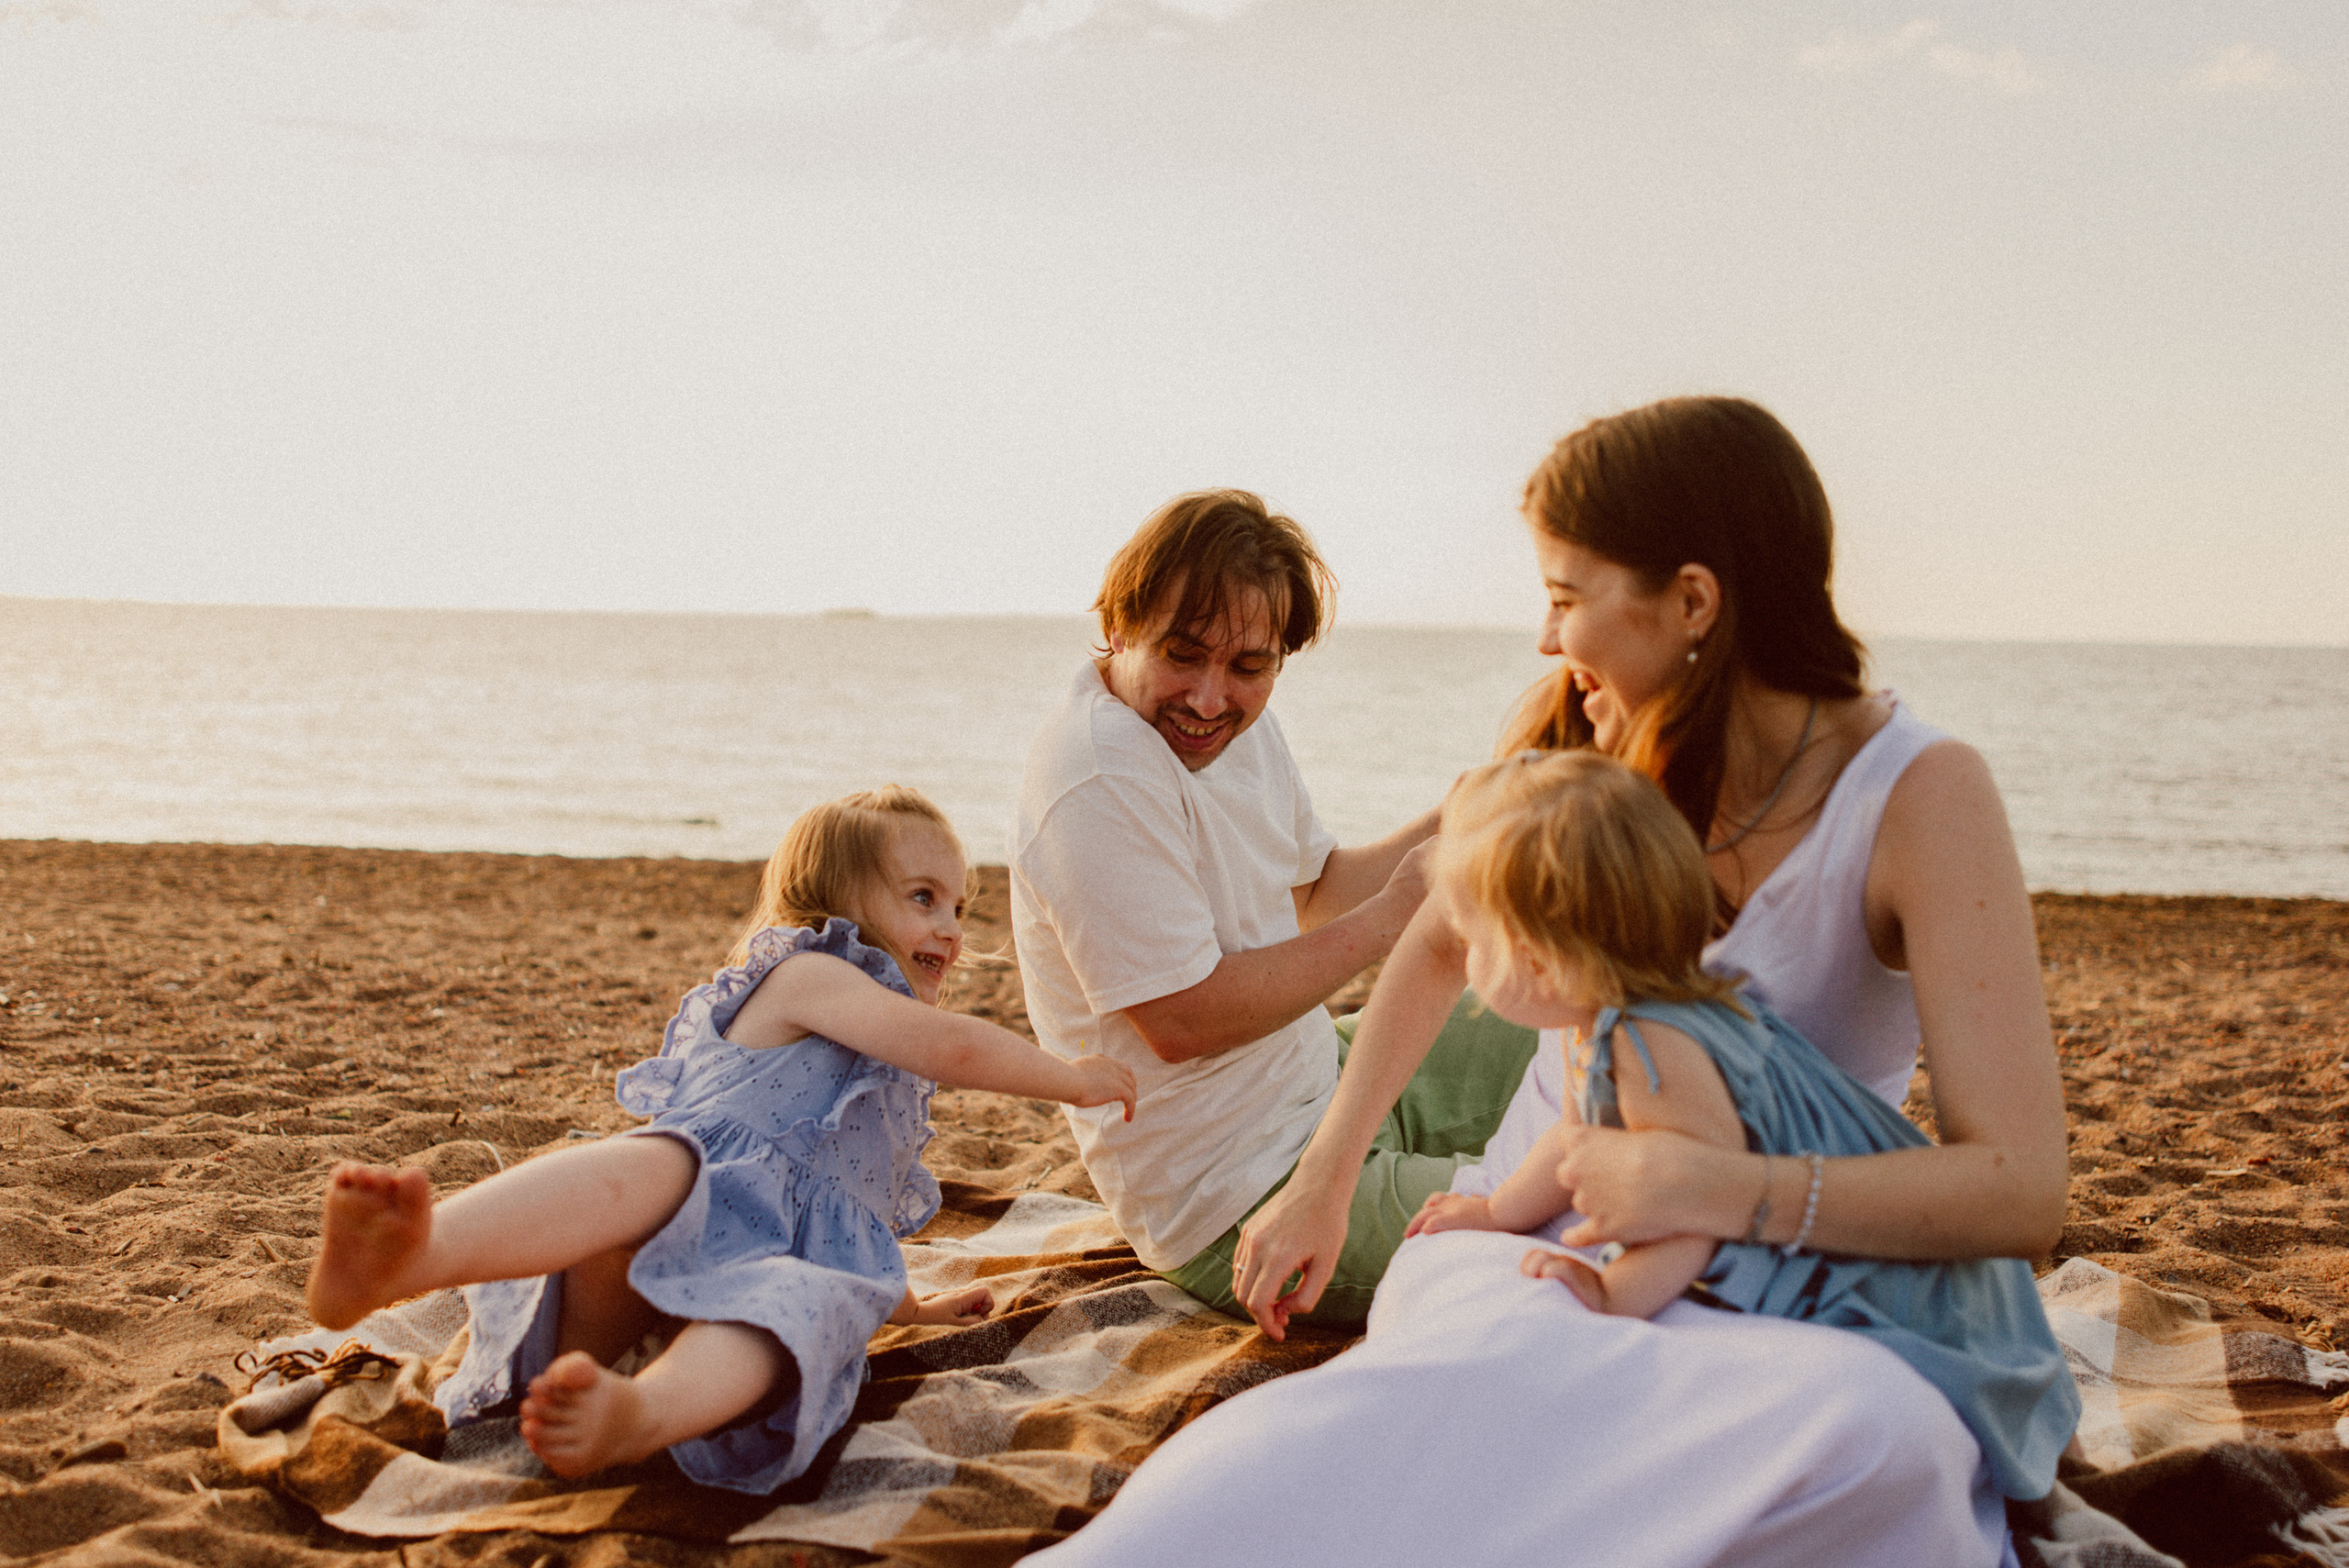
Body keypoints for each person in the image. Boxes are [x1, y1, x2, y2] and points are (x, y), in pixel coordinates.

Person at [1034, 397, 2069, 1566]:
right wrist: (1324, 1182)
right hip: (1535, 1229)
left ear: (1691, 599)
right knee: (1410, 1423)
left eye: (1566, 596)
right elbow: (1434, 936)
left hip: (1802, 1286)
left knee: (1886, 1437)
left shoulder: (1921, 795)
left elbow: (2021, 1190)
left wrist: (1710, 1187)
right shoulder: (1592, 737)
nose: (1544, 637)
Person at [304, 786, 1136, 1493]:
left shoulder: (882, 1072)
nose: (952, 928)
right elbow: (952, 1045)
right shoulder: (814, 974)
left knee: (798, 1299)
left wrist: (909, 1305)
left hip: (710, 1326)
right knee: (655, 1163)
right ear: (835, 903)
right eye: (923, 898)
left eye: (960, 905)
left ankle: (641, 1414)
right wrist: (1070, 1075)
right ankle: (416, 1257)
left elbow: (856, 1227)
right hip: (635, 1271)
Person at [1400, 751, 2076, 1502]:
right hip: (1738, 1210)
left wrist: (1612, 1294)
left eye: (1474, 942)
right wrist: (1496, 1211)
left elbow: (1692, 1214)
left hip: (1870, 1277)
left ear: (1540, 963)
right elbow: (1571, 1140)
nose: (1464, 959)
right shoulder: (1593, 1022)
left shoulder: (1650, 1043)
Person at [1008, 489, 1537, 1327]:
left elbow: (1317, 892)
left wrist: (1464, 810)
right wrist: (1397, 915)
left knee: (1602, 1028)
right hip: (1235, 1195)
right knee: (1581, 1224)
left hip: (1322, 1077)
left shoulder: (1241, 729)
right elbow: (1183, 1018)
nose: (1211, 698)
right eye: (1183, 655)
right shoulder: (1098, 772)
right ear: (1118, 626)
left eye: (1248, 667)